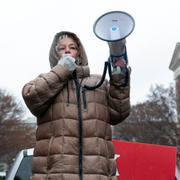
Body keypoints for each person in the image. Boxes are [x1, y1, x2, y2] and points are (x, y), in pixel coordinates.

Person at [22, 31, 130, 180]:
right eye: (61, 48)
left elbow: (119, 112)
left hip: (97, 175)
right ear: (55, 55)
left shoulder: (98, 83)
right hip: (55, 175)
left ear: (79, 53)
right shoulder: (43, 81)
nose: (67, 50)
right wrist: (62, 70)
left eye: (72, 47)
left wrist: (119, 74)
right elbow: (33, 98)